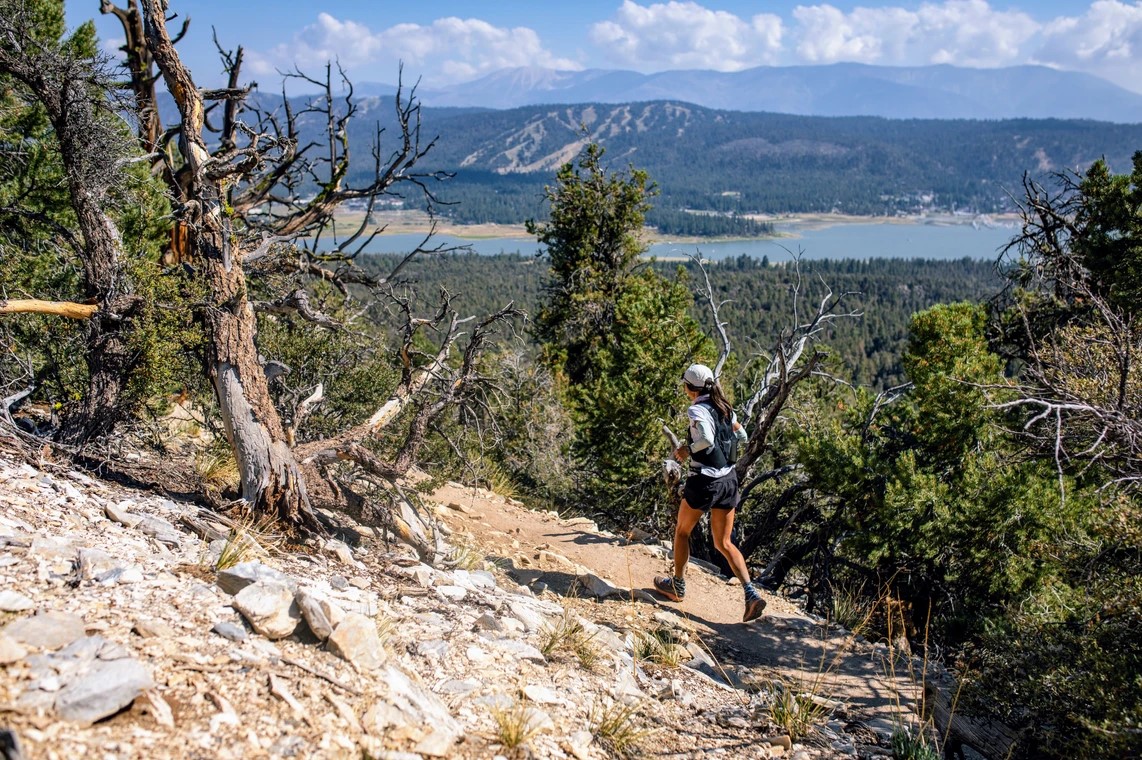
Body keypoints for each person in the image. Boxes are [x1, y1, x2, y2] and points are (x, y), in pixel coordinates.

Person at [654, 363, 766, 623]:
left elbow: (705, 439)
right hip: (728, 479)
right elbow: (743, 436)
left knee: (682, 531)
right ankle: (750, 594)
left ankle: (677, 586)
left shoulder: (697, 409)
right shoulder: (726, 408)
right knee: (724, 543)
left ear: (689, 388)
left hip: (704, 480)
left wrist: (686, 450)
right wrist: (728, 459)